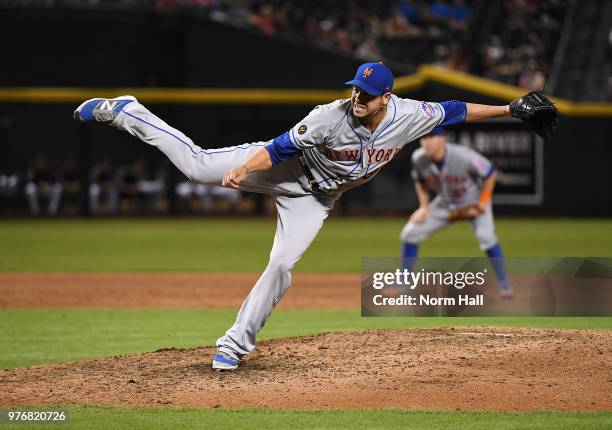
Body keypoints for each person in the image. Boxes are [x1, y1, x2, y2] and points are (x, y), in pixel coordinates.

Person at [73, 62, 556, 371]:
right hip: (281, 168)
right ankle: (129, 112)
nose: (358, 98)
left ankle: (235, 344)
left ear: (386, 98)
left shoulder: (409, 114)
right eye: (355, 90)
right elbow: (279, 147)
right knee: (199, 165)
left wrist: (511, 108)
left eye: (367, 94)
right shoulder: (329, 116)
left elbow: (456, 110)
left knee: (282, 265)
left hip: (315, 201)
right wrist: (244, 169)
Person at [399, 126, 513, 298]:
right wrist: (423, 207)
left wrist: (483, 202)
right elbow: (420, 182)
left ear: (443, 139)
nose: (427, 142)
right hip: (444, 204)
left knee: (486, 237)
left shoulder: (465, 156)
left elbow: (490, 173)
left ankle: (504, 284)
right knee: (410, 233)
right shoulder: (419, 158)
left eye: (432, 137)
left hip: (473, 203)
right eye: (423, 138)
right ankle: (404, 282)